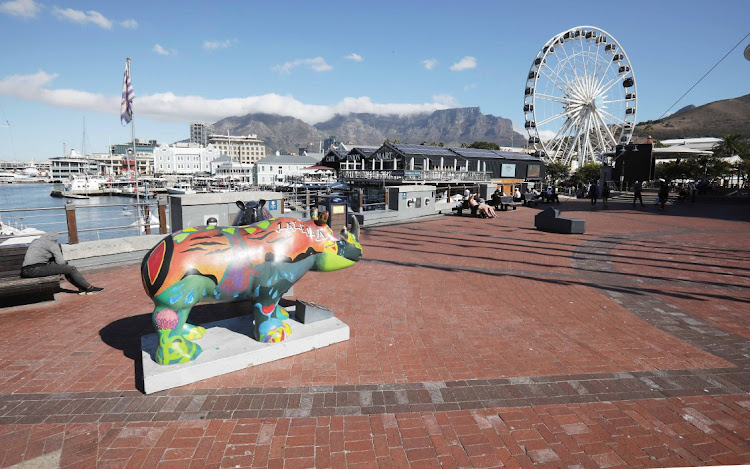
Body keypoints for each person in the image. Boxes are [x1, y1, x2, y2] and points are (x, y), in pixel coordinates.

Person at [20, 232, 103, 295]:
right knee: (70, 269)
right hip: (35, 269)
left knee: (66, 268)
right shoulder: (52, 244)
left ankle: (82, 288)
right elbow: (61, 262)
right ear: (55, 239)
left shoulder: (36, 241)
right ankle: (89, 288)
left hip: (26, 270)